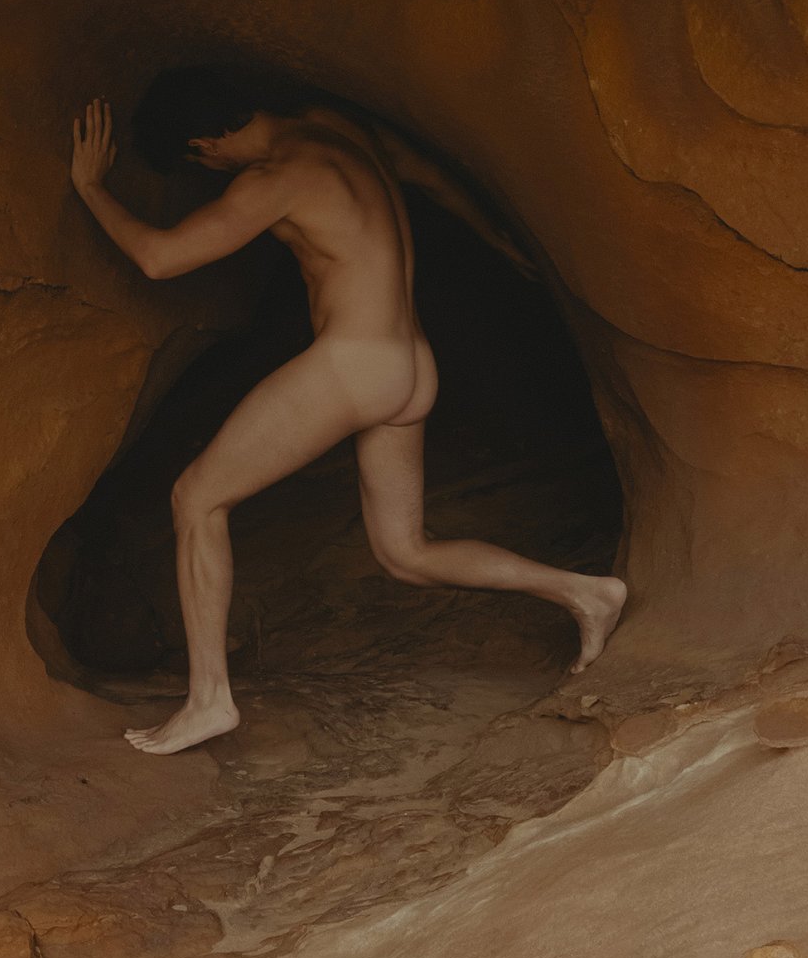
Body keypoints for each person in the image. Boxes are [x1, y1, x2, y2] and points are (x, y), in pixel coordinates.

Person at [70, 66, 626, 754]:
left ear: (205, 146)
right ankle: (586, 593)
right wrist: (493, 232)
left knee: (197, 498)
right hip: (412, 359)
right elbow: (427, 173)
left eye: (199, 163)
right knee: (406, 551)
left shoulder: (273, 180)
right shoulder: (335, 125)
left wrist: (91, 188)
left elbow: (159, 257)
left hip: (355, 364)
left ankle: (209, 699)